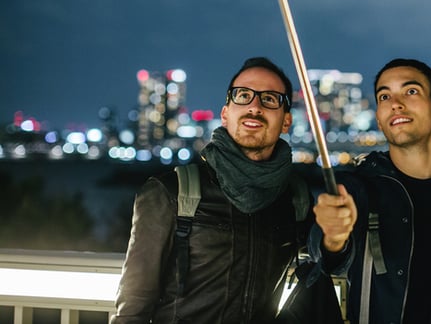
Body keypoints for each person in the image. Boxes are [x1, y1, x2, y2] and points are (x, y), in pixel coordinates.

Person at [112, 57, 312, 324]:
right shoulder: (172, 192)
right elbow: (133, 309)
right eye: (243, 95)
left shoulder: (294, 198)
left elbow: (326, 260)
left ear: (287, 120)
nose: (254, 106)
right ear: (226, 113)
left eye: (270, 99)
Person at [310, 58, 431, 323]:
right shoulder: (357, 188)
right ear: (378, 117)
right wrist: (333, 237)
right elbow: (326, 258)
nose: (395, 103)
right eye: (384, 96)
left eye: (411, 91)